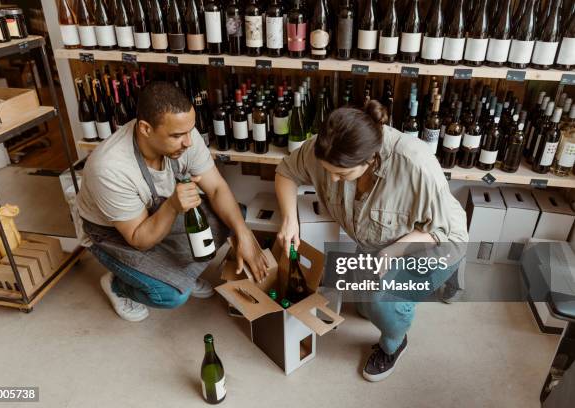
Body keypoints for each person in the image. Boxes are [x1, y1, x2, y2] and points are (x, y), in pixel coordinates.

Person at [275, 100, 468, 382]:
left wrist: (394, 251)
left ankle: (394, 344)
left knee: (381, 301)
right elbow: (286, 172)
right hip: (379, 240)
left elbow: (438, 229)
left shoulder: (417, 164)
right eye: (327, 170)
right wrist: (289, 219)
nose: (331, 179)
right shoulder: (326, 147)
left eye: (341, 174)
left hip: (435, 239)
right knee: (363, 305)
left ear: (371, 159)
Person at [77, 82, 268, 322]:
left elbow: (218, 188)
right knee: (170, 296)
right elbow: (139, 239)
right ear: (145, 129)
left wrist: (245, 235)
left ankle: (179, 274)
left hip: (161, 210)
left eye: (190, 131)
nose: (188, 142)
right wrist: (172, 206)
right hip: (114, 233)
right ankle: (118, 285)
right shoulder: (110, 168)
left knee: (232, 217)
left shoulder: (184, 132)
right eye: (177, 136)